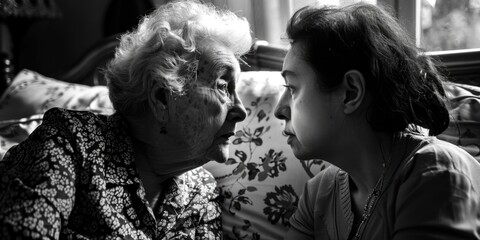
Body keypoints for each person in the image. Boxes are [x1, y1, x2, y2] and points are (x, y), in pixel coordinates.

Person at [0, 0, 252, 239]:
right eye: (222, 86)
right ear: (162, 98)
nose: (240, 110)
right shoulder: (70, 142)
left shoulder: (202, 191)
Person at [274, 3, 480, 240]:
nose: (279, 110)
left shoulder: (436, 174)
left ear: (350, 93)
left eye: (292, 88)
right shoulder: (318, 194)